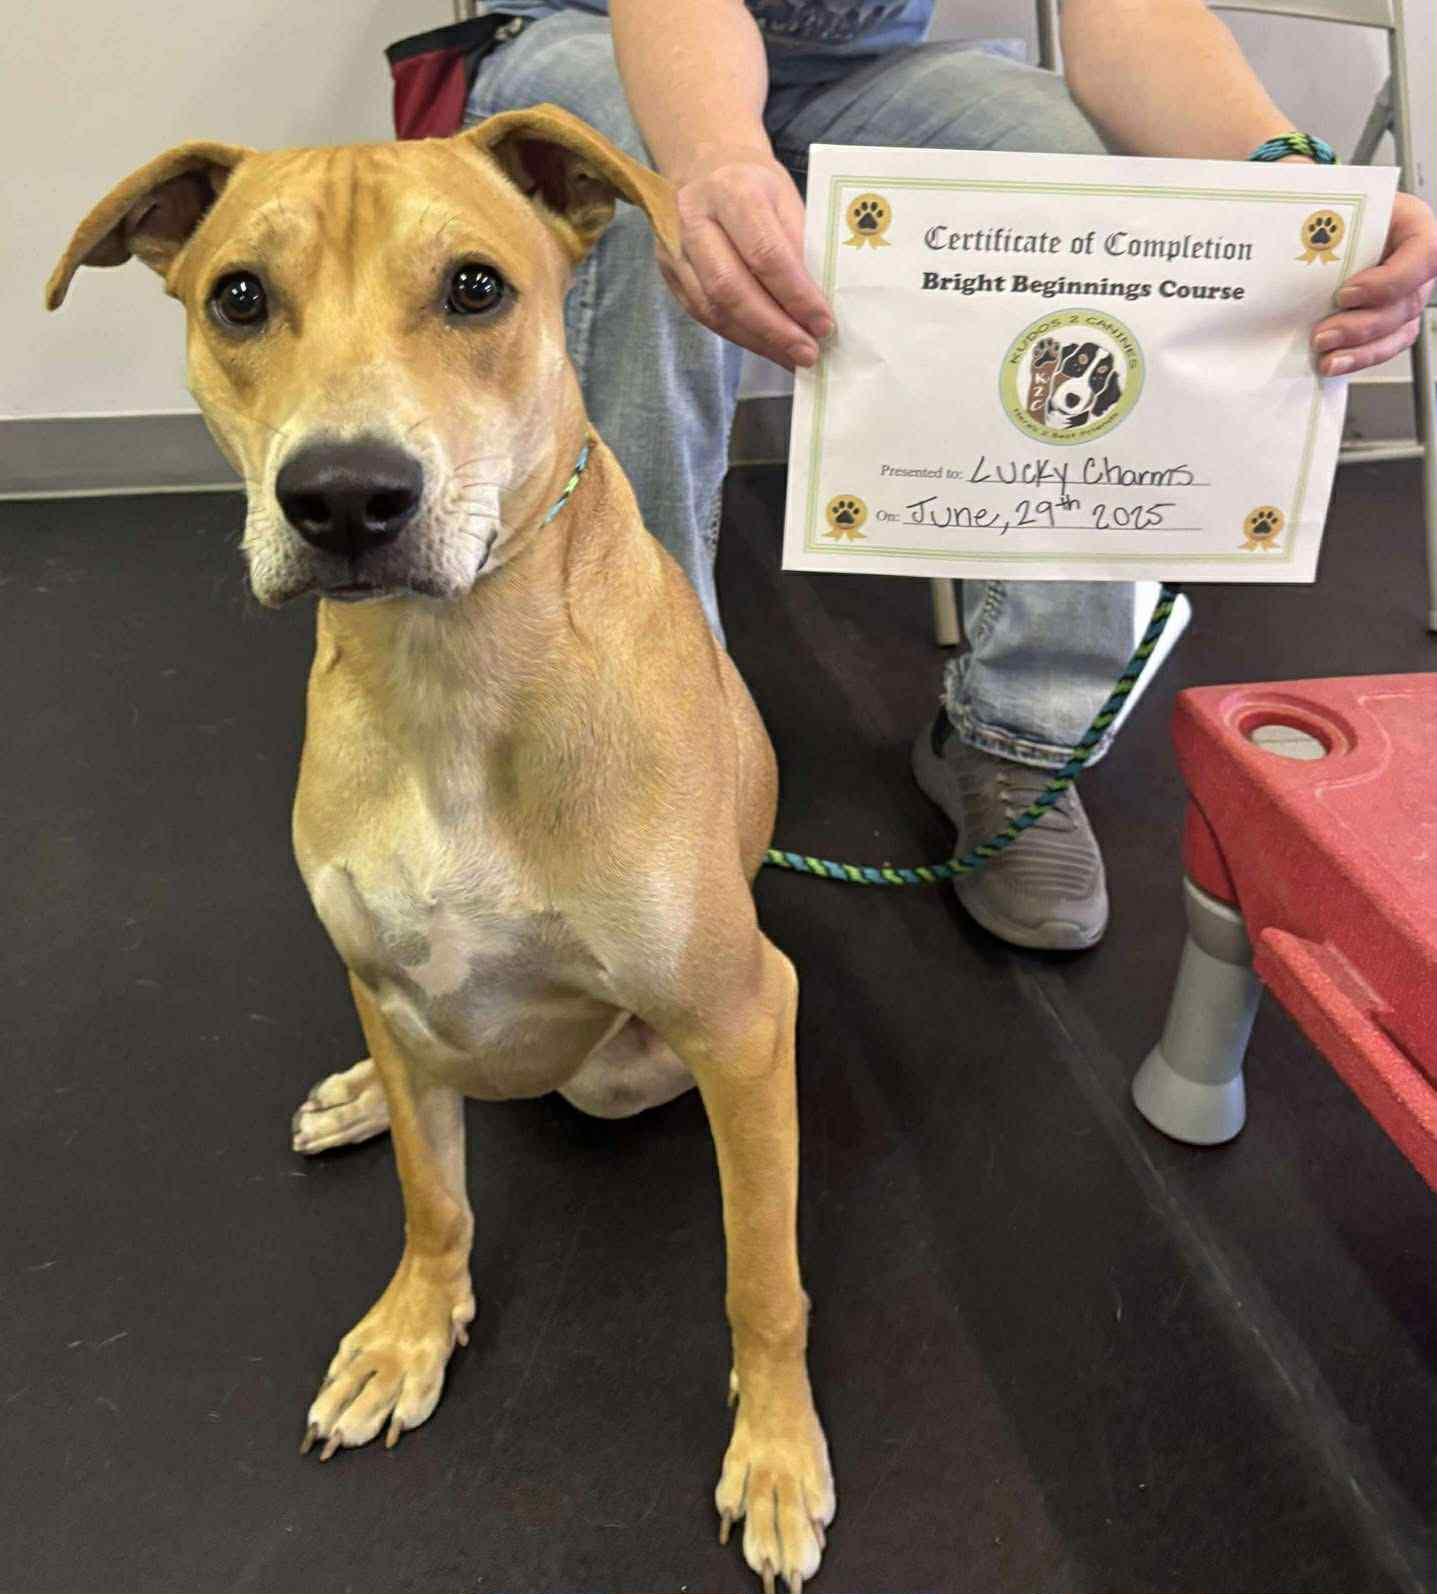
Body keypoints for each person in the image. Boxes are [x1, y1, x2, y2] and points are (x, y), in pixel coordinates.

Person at [465, 0, 1437, 950]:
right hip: (598, 39)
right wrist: (715, 156)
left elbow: (1132, 12)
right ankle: (645, 740)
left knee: (1060, 163)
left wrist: (1297, 188)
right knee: (645, 192)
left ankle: (1018, 742)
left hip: (853, 75)